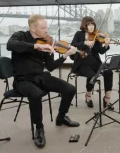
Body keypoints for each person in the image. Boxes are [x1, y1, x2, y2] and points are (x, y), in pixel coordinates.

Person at [7, 14, 80, 148]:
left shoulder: (47, 42)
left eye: (46, 27)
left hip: (41, 76)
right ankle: (39, 128)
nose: (46, 30)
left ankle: (61, 117)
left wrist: (65, 56)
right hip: (23, 79)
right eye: (43, 28)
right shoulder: (20, 36)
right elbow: (10, 45)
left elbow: (51, 66)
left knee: (70, 89)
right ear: (33, 29)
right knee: (35, 94)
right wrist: (36, 46)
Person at [71, 16, 114, 110]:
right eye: (89, 24)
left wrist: (106, 45)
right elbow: (73, 46)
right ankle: (88, 96)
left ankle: (107, 99)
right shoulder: (79, 34)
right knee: (92, 75)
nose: (91, 27)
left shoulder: (96, 35)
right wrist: (85, 43)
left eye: (92, 24)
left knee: (108, 72)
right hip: (82, 62)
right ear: (84, 25)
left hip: (95, 61)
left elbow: (101, 51)